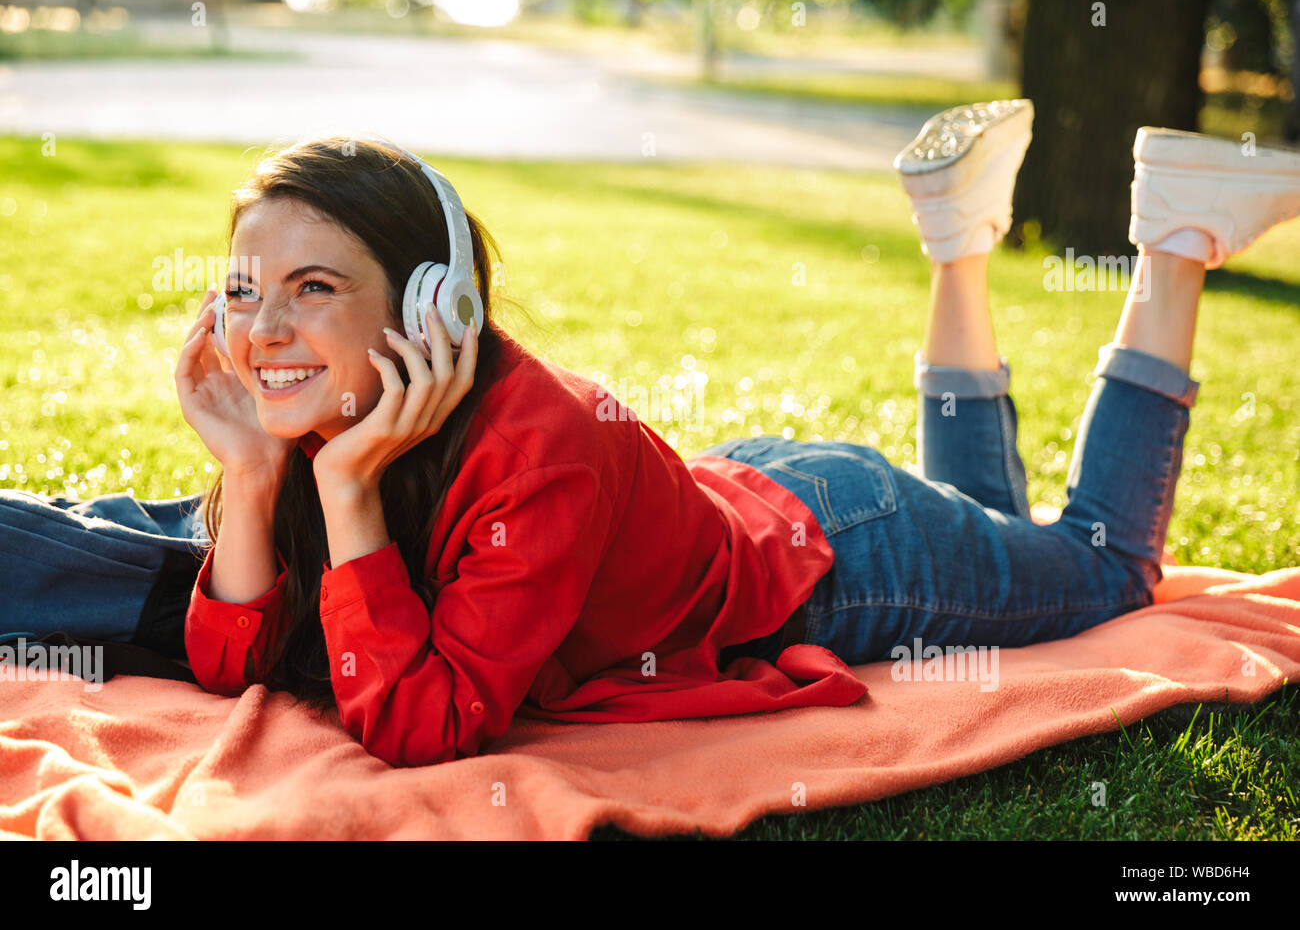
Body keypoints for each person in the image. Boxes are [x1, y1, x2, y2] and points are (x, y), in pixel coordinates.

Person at [97, 105, 1300, 768]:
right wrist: (251, 477)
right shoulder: (337, 414)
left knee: (1104, 568)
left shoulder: (535, 445)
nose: (261, 329)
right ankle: (956, 241)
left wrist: (347, 496)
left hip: (848, 563)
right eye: (244, 288)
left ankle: (1173, 245)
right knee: (993, 522)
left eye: (313, 286)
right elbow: (232, 666)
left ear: (432, 306)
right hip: (774, 493)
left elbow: (427, 722)